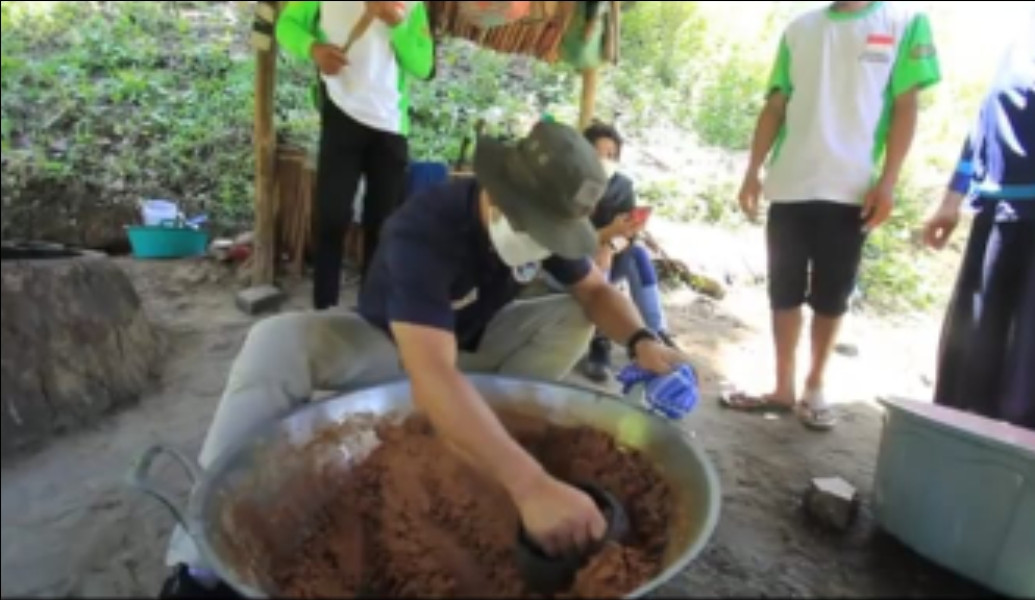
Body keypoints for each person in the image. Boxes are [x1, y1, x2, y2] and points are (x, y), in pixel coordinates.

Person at [158, 121, 693, 596]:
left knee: (574, 312)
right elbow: (431, 371)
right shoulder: (426, 228)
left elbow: (598, 293)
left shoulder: (544, 218)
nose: (545, 246)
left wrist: (644, 340)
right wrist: (530, 486)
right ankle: (199, 564)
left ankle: (498, 439)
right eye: (539, 232)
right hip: (397, 347)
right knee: (277, 339)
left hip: (475, 352)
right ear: (501, 194)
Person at [724, 0, 941, 430]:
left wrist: (889, 182)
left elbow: (906, 107)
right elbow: (776, 105)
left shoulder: (905, 22)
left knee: (832, 294)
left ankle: (815, 387)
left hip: (852, 188)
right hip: (790, 183)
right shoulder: (800, 28)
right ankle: (782, 387)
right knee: (783, 289)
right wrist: (752, 170)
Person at [276, 1, 434, 309]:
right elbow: (286, 26)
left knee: (382, 223)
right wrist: (313, 48)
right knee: (331, 217)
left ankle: (371, 309)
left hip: (389, 124)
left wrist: (397, 24)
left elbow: (423, 65)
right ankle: (324, 308)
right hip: (340, 115)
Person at [922, 10, 1034, 430]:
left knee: (1024, 373)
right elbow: (985, 120)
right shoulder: (1021, 41)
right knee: (974, 359)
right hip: (997, 214)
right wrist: (952, 197)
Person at [580, 122, 678, 382]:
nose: (605, 160)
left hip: (606, 255)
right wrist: (605, 236)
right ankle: (598, 342)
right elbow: (567, 239)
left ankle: (655, 333)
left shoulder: (622, 186)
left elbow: (629, 234)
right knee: (603, 263)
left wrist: (611, 245)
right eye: (598, 153)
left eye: (611, 155)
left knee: (639, 256)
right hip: (572, 260)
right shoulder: (569, 183)